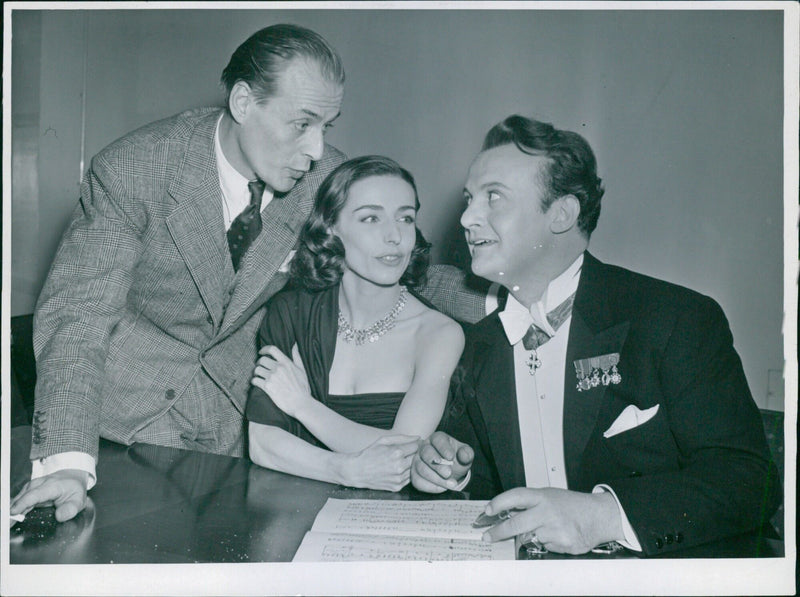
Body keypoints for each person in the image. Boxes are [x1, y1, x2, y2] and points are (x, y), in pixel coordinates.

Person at [10, 24, 485, 525]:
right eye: (301, 123)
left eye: (328, 125)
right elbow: (78, 318)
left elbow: (400, 261)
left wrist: (514, 296)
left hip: (238, 426)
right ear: (242, 102)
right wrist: (66, 463)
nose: (318, 150)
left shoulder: (321, 179)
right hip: (124, 424)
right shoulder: (136, 169)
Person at [411, 115, 782, 556]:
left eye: (494, 198)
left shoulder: (675, 318)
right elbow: (486, 476)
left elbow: (748, 480)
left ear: (563, 214)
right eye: (471, 199)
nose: (468, 217)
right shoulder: (480, 345)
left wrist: (604, 515)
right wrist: (451, 470)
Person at [246, 156, 465, 491]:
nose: (394, 236)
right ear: (332, 227)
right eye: (371, 218)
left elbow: (405, 457)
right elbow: (263, 443)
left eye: (405, 218)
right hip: (293, 505)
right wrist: (345, 470)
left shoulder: (439, 333)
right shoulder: (290, 310)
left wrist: (301, 405)